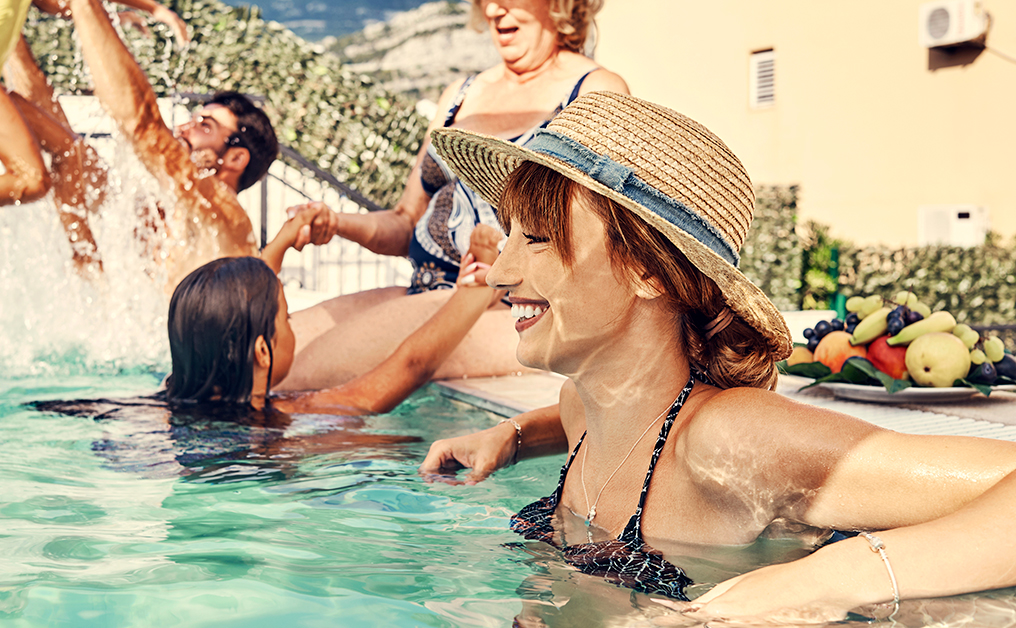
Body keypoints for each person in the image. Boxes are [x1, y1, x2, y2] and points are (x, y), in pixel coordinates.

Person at [418, 91, 1016, 622]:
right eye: (510, 236)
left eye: (540, 238)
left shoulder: (730, 438)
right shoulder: (584, 408)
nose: (499, 271)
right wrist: (512, 436)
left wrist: (824, 581)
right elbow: (581, 413)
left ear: (648, 269)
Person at [273, 0, 630, 391]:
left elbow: (598, 233)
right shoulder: (460, 94)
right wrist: (336, 222)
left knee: (289, 376)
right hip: (425, 289)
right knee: (263, 352)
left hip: (516, 308)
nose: (494, 9)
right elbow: (407, 221)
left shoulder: (595, 90)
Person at [0, 0, 190, 274]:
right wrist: (155, 9)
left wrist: (118, 17)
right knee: (32, 180)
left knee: (70, 151)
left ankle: (86, 261)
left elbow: (59, 5)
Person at [163, 207, 504, 416]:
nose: (293, 324)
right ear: (262, 352)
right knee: (392, 445)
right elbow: (411, 366)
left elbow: (233, 302)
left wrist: (281, 243)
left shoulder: (171, 395)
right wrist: (475, 289)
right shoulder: (293, 413)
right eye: (287, 318)